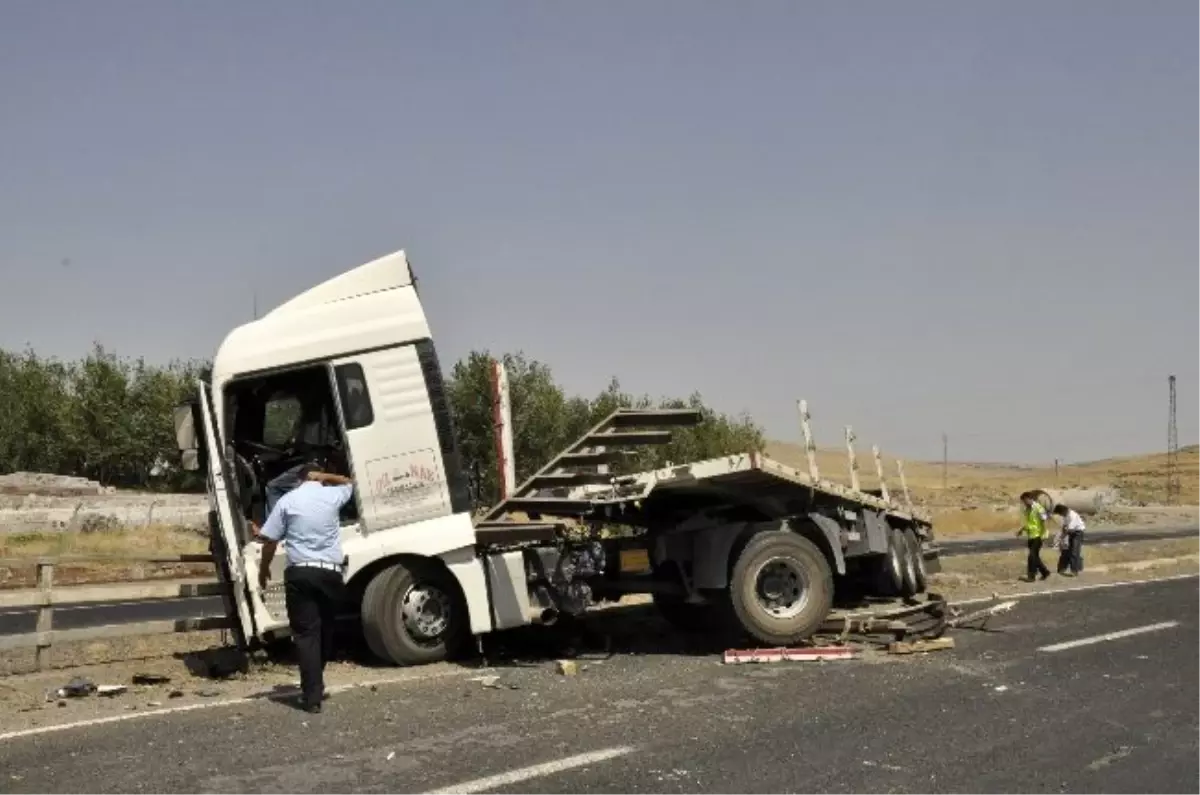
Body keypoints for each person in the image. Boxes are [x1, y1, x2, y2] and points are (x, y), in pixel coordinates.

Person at [256, 466, 354, 713]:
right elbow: (351, 482)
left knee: (306, 635)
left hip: (300, 573)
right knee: (325, 631)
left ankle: (312, 696)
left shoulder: (287, 501)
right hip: (330, 573)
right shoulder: (331, 496)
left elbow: (269, 540)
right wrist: (327, 476)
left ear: (297, 481)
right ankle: (314, 685)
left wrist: (263, 569)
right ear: (316, 479)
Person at [1016, 491, 1051, 581]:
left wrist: (1044, 533)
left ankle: (1031, 576)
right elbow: (1029, 523)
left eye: (1025, 501)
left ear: (1029, 499)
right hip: (1031, 535)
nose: (1024, 503)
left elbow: (1045, 519)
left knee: (1031, 556)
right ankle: (1045, 572)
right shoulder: (1027, 510)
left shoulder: (1038, 508)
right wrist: (1021, 530)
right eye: (1023, 502)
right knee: (1035, 556)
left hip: (1038, 536)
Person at [1052, 503, 1086, 576]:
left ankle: (1074, 571)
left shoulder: (1072, 515)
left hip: (1078, 533)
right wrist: (1061, 535)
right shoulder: (1066, 515)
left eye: (1060, 514)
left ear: (1063, 511)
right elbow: (1065, 526)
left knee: (1074, 552)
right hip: (1071, 532)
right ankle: (1062, 568)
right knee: (1067, 550)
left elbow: (1069, 530)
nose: (1061, 516)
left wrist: (1061, 538)